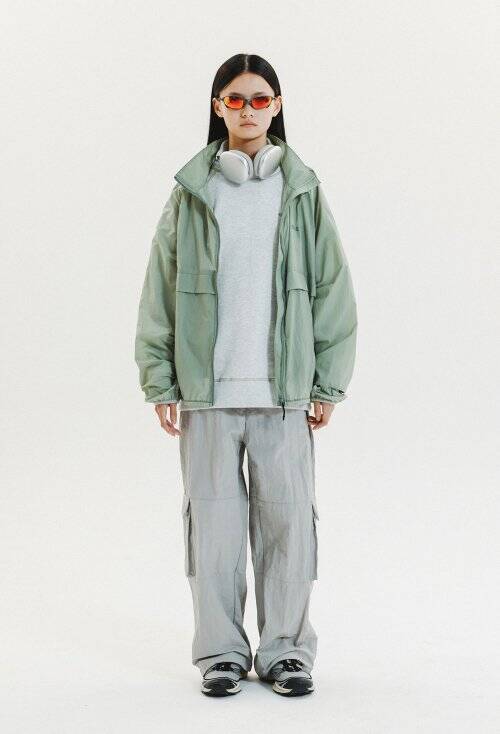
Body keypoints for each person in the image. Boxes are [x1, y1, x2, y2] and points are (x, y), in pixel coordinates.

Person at [134, 53, 357, 698]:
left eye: (260, 99)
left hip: (283, 395)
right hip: (205, 395)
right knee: (214, 533)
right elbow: (159, 289)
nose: (249, 109)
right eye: (235, 99)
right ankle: (221, 654)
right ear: (218, 107)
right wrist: (159, 379)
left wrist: (327, 382)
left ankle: (286, 652)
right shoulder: (192, 192)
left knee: (289, 529)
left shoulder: (302, 191)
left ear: (277, 106)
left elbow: (333, 288)